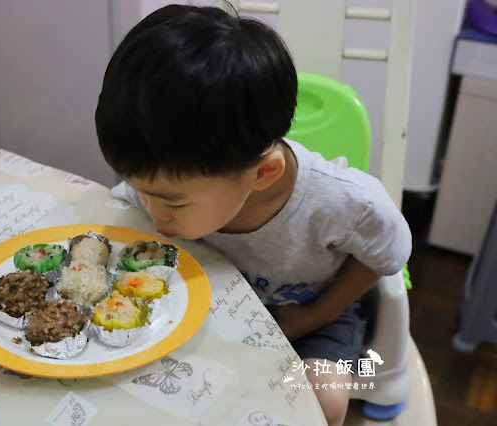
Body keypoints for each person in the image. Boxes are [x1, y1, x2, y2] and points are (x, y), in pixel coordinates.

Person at [95, 5, 411, 425]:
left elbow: (384, 255)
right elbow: (119, 214)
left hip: (306, 317)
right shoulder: (170, 177)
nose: (155, 215)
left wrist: (319, 314)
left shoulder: (345, 204)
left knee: (324, 400)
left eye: (172, 203)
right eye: (141, 191)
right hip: (208, 307)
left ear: (263, 173)